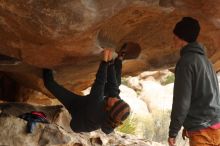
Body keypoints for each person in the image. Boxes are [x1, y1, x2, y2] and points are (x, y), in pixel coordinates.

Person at [43, 48, 131, 134]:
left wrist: (104, 62)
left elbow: (99, 83)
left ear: (110, 110)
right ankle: (119, 59)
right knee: (116, 85)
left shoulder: (96, 110)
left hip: (78, 111)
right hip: (90, 103)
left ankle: (46, 65)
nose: (116, 99)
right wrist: (111, 62)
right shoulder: (115, 101)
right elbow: (113, 84)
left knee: (49, 83)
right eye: (119, 100)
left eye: (115, 103)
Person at [168, 17, 220, 146]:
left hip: (201, 131)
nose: (173, 39)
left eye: (175, 36)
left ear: (181, 38)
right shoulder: (207, 61)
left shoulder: (186, 62)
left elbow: (182, 101)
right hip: (217, 126)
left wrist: (173, 131)